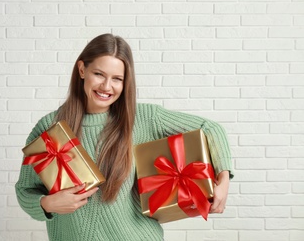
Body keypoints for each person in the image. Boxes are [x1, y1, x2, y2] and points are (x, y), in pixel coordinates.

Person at [15, 33, 234, 241]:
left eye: (117, 79)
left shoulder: (144, 118)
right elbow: (25, 190)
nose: (106, 86)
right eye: (99, 74)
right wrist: (47, 204)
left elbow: (210, 128)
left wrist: (223, 179)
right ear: (82, 69)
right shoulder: (51, 128)